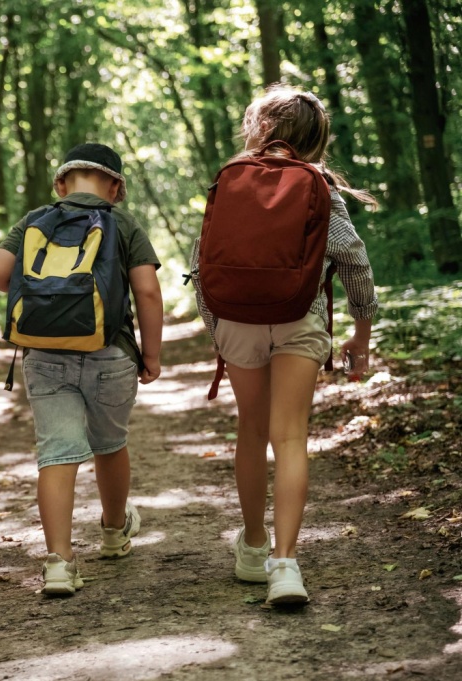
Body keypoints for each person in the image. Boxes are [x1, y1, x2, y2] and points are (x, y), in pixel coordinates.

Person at [195, 87, 378, 605]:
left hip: (237, 324)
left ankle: (253, 548)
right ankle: (285, 565)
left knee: (251, 432)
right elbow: (354, 261)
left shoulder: (229, 180)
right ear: (317, 140)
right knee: (290, 438)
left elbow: (202, 263)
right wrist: (360, 339)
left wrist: (220, 331)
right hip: (301, 319)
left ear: (259, 131)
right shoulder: (320, 185)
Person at [0, 143, 164, 596]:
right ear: (116, 188)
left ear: (61, 185)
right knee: (109, 443)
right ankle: (113, 530)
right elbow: (147, 291)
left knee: (58, 453)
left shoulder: (34, 221)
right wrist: (153, 356)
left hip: (43, 354)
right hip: (110, 352)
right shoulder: (122, 223)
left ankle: (59, 563)